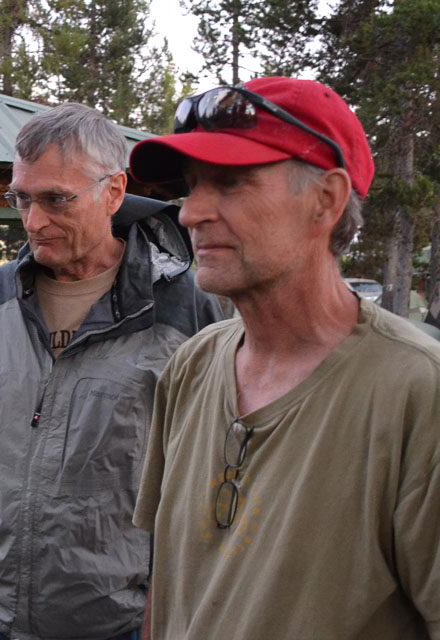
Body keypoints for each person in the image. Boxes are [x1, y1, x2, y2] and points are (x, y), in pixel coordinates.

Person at [130, 77, 440, 639]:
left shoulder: (417, 390)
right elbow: (170, 579)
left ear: (325, 201)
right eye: (193, 186)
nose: (190, 213)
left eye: (230, 183)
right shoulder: (191, 367)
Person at [0, 103, 223, 640]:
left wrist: (163, 602)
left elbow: (207, 475)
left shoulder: (187, 306)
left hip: (118, 621)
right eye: (21, 198)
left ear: (113, 192)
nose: (33, 221)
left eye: (56, 199)